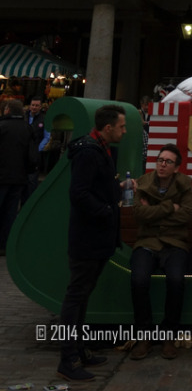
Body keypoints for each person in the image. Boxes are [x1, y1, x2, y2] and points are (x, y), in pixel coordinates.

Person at [57, 104, 132, 382]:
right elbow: (79, 193)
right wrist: (106, 211)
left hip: (98, 237)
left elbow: (97, 186)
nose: (125, 131)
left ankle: (79, 349)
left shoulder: (100, 149)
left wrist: (118, 188)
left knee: (83, 295)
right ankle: (68, 358)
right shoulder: (89, 151)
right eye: (122, 126)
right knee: (76, 296)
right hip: (88, 238)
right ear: (108, 127)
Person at [129, 144, 192, 360]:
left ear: (176, 168)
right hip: (146, 242)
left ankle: (169, 335)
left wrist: (154, 213)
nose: (162, 165)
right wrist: (169, 208)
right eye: (160, 160)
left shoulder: (184, 185)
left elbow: (185, 215)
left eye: (167, 162)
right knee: (139, 280)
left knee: (176, 280)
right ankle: (144, 336)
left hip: (175, 244)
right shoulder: (144, 182)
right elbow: (139, 214)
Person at [0, 99, 35, 252]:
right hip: (19, 177)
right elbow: (33, 156)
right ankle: (5, 244)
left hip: (1, 176)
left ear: (7, 110)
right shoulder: (27, 128)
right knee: (10, 212)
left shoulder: (2, 126)